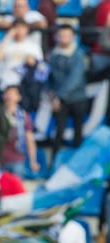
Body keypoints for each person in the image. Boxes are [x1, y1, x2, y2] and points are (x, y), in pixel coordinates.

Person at [48, 25, 89, 154]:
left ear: (72, 37)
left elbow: (75, 79)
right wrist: (51, 93)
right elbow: (50, 77)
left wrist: (59, 96)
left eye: (66, 35)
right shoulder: (53, 54)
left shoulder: (78, 54)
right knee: (59, 131)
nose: (63, 38)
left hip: (77, 99)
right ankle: (54, 163)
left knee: (78, 131)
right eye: (61, 35)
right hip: (60, 100)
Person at [0, 19, 43, 91]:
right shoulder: (4, 43)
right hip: (6, 81)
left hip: (25, 83)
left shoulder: (33, 46)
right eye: (17, 28)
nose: (19, 30)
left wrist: (31, 60)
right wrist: (8, 36)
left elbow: (39, 65)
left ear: (27, 30)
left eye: (22, 28)